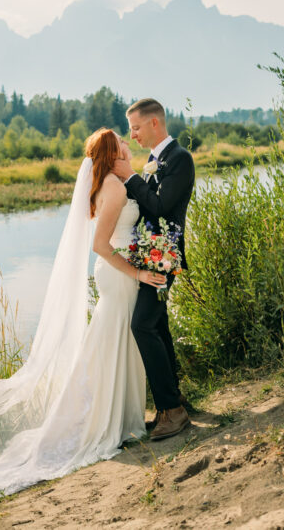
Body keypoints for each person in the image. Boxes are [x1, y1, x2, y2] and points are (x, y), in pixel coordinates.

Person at [0, 128, 166, 498]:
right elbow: (100, 245)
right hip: (119, 272)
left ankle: (124, 418)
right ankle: (105, 422)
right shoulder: (113, 187)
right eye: (122, 145)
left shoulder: (116, 180)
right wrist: (140, 271)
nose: (129, 146)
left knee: (116, 340)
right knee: (112, 340)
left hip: (121, 271)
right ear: (111, 154)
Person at [112, 97, 195, 441]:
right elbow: (148, 210)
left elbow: (160, 206)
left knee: (142, 324)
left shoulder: (180, 159)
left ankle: (172, 412)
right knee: (157, 325)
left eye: (135, 127)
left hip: (165, 255)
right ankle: (172, 402)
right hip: (149, 254)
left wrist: (131, 177)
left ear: (155, 123)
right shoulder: (153, 160)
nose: (132, 136)